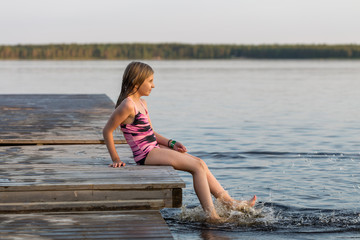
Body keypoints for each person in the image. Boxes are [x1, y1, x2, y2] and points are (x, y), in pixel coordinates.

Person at [103, 61, 256, 222]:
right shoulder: (127, 105)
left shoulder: (142, 103)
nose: (153, 85)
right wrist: (116, 159)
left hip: (154, 148)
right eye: (150, 81)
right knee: (196, 168)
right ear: (136, 81)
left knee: (201, 163)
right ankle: (211, 216)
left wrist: (171, 143)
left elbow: (150, 132)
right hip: (146, 155)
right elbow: (107, 130)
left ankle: (229, 203)